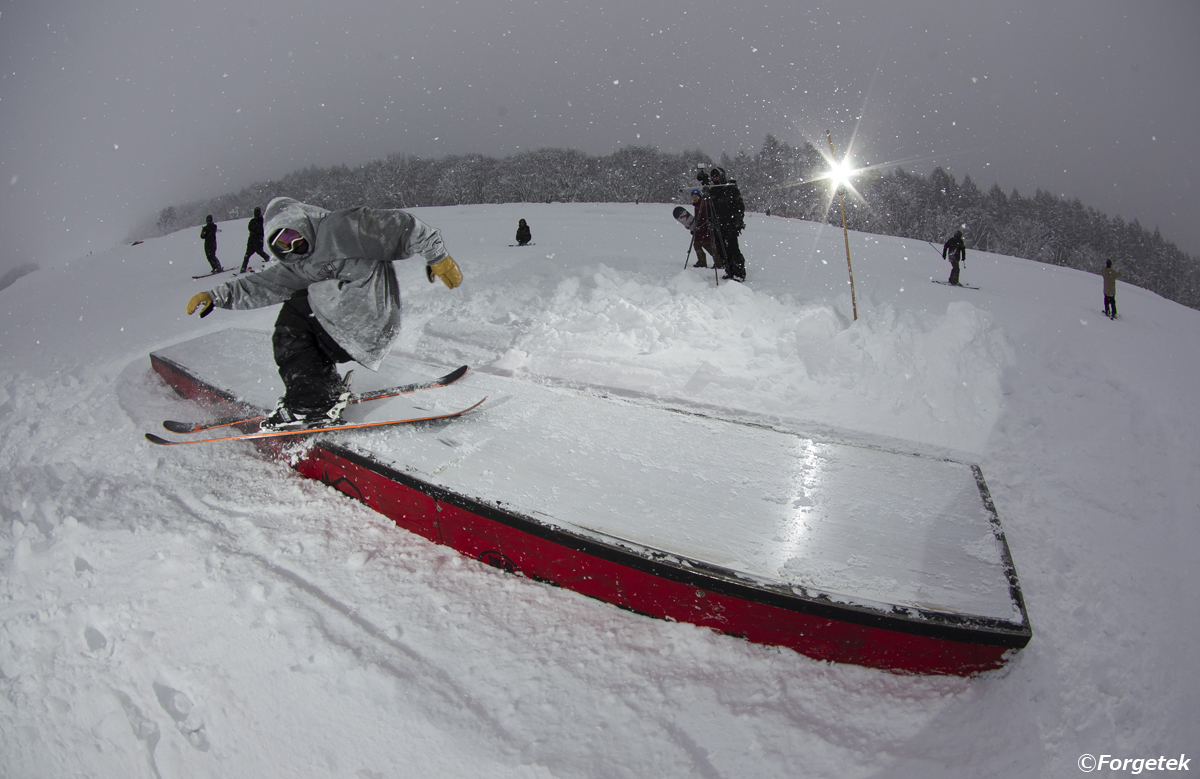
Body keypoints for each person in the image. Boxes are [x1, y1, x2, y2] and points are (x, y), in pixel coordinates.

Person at [184, 197, 463, 431]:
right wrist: (215, 296)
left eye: (293, 235)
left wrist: (437, 256)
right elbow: (263, 284)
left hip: (365, 311)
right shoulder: (297, 264)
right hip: (353, 324)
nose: (294, 247)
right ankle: (323, 391)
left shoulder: (341, 227)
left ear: (302, 220)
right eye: (283, 245)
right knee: (299, 316)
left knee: (295, 318)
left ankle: (310, 405)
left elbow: (404, 227)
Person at [707, 167, 746, 281]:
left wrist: (738, 220)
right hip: (717, 225)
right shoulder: (712, 190)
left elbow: (739, 206)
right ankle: (729, 271)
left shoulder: (731, 189)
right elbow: (710, 209)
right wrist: (711, 221)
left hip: (730, 224)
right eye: (713, 177)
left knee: (733, 249)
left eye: (717, 176)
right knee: (721, 250)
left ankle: (739, 272)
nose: (715, 179)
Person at [689, 189, 720, 269]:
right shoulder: (697, 205)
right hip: (700, 229)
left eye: (696, 196)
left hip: (704, 229)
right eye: (693, 196)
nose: (694, 198)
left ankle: (715, 262)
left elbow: (705, 218)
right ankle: (706, 261)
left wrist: (700, 227)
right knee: (701, 245)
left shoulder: (703, 205)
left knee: (705, 245)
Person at [240, 206, 270, 273]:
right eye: (255, 212)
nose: (256, 213)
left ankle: (269, 260)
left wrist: (255, 232)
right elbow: (250, 228)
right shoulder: (253, 221)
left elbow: (261, 230)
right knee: (247, 255)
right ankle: (243, 268)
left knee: (259, 252)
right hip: (251, 241)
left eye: (257, 212)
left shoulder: (262, 221)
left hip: (258, 240)